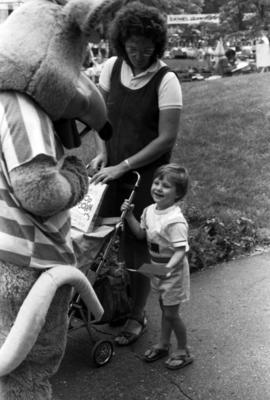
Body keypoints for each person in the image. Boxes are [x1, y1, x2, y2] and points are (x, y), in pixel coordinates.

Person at [90, 1, 183, 346]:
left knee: (139, 245)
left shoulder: (166, 79)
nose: (140, 54)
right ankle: (114, 300)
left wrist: (123, 166)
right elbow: (100, 116)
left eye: (147, 48)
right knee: (100, 237)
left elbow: (166, 138)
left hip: (147, 179)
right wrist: (101, 154)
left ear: (157, 45)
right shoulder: (111, 67)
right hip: (111, 172)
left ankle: (138, 314)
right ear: (121, 43)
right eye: (132, 47)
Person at [121, 164, 193, 370]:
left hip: (173, 273)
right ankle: (163, 344)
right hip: (158, 269)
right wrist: (129, 216)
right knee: (164, 309)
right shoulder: (150, 211)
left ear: (178, 194)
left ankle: (183, 350)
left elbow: (181, 251)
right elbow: (140, 234)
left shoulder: (175, 221)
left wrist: (168, 269)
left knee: (171, 313)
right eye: (156, 182)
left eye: (166, 186)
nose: (159, 188)